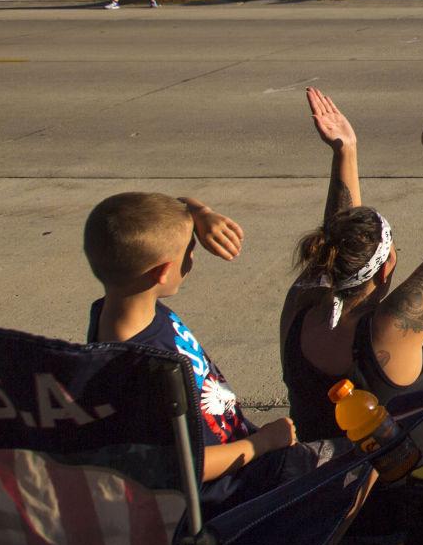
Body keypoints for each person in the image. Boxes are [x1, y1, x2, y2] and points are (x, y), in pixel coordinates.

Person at [280, 86, 423, 454]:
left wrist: (346, 151)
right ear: (387, 267)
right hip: (417, 478)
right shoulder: (388, 330)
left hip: (335, 473)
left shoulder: (300, 307)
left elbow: (339, 231)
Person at [84, 192, 308, 510]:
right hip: (224, 489)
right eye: (190, 248)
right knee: (358, 469)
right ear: (163, 272)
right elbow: (187, 466)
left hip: (235, 448)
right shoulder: (145, 366)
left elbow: (144, 214)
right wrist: (264, 443)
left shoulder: (117, 312)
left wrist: (201, 214)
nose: (194, 254)